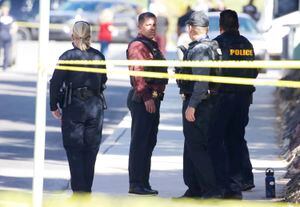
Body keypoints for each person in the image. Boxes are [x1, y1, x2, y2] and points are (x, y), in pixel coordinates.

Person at [50, 21, 107, 193]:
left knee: (74, 149)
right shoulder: (98, 56)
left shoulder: (67, 56)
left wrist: (54, 106)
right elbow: (103, 81)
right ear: (90, 35)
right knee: (91, 151)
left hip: (73, 106)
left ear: (73, 36)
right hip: (94, 107)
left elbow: (55, 83)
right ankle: (86, 190)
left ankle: (79, 192)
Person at [211, 9, 258, 199]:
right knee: (238, 137)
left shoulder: (218, 43)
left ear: (221, 26)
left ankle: (229, 180)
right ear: (237, 25)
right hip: (243, 98)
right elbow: (253, 72)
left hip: (224, 97)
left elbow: (214, 72)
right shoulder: (247, 44)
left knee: (220, 138)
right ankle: (245, 178)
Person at [176, 11, 221, 198]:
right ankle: (194, 188)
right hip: (204, 102)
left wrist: (192, 105)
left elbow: (201, 81)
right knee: (192, 147)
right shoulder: (210, 46)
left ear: (190, 28)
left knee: (197, 148)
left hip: (199, 104)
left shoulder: (201, 49)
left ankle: (210, 191)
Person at [126, 12, 168, 195]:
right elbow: (138, 74)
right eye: (148, 25)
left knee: (149, 142)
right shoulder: (138, 46)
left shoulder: (152, 45)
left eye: (154, 25)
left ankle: (144, 182)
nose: (152, 28)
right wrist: (147, 97)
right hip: (143, 99)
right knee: (140, 143)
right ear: (140, 27)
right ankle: (136, 184)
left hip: (154, 97)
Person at [0, 1, 16, 71]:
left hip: (7, 37)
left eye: (6, 9)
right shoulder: (0, 17)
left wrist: (12, 31)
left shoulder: (11, 18)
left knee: (7, 52)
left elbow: (15, 27)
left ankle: (5, 66)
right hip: (0, 36)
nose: (5, 10)